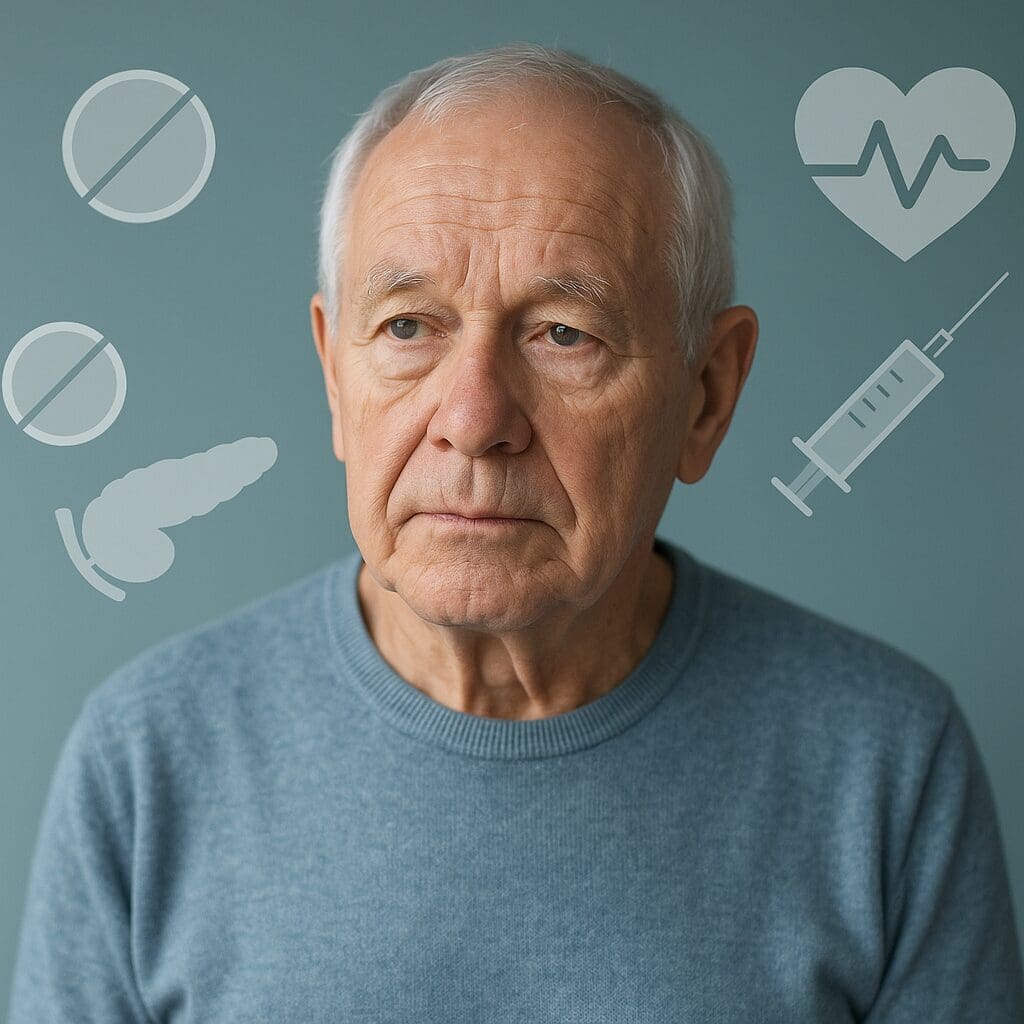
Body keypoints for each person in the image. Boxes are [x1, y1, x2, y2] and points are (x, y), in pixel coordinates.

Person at [8, 42, 1023, 1024]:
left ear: (707, 393)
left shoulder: (885, 762)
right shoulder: (144, 759)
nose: (475, 416)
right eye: (408, 326)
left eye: (563, 334)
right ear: (332, 371)